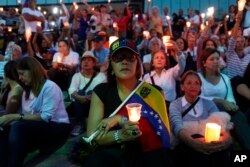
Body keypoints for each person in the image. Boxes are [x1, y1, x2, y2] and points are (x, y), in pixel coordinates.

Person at [83, 38, 173, 167]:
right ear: (111, 66)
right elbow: (93, 136)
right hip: (113, 152)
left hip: (148, 151)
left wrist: (120, 119)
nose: (124, 61)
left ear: (137, 65)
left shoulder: (154, 92)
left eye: (130, 57)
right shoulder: (101, 91)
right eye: (119, 57)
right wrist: (120, 134)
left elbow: (162, 132)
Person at [0, 57, 71, 167]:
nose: (20, 78)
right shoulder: (27, 91)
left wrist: (14, 117)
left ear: (33, 71)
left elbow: (45, 117)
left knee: (18, 127)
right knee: (3, 131)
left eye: (22, 74)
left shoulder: (50, 87)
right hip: (39, 128)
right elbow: (28, 118)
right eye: (18, 75)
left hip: (58, 127)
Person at [169, 70, 232, 167]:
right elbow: (176, 125)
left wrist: (225, 141)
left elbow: (221, 123)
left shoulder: (208, 103)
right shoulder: (175, 105)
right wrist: (194, 143)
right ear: (182, 87)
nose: (193, 86)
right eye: (189, 83)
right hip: (187, 146)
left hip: (210, 144)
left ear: (200, 87)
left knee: (221, 155)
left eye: (197, 83)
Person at [198, 48, 250, 150]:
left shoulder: (225, 78)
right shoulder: (198, 78)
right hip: (206, 110)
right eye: (212, 59)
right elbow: (199, 97)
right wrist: (219, 100)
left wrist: (230, 104)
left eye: (217, 58)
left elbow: (230, 98)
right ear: (204, 63)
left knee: (239, 117)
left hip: (225, 110)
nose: (216, 61)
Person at [68, 51, 106, 136]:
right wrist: (81, 97)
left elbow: (104, 92)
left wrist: (93, 96)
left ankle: (93, 123)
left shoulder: (101, 76)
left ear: (93, 63)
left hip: (96, 105)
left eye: (89, 60)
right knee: (80, 92)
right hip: (80, 104)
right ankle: (79, 124)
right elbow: (71, 90)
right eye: (83, 60)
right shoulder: (77, 76)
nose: (85, 62)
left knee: (92, 92)